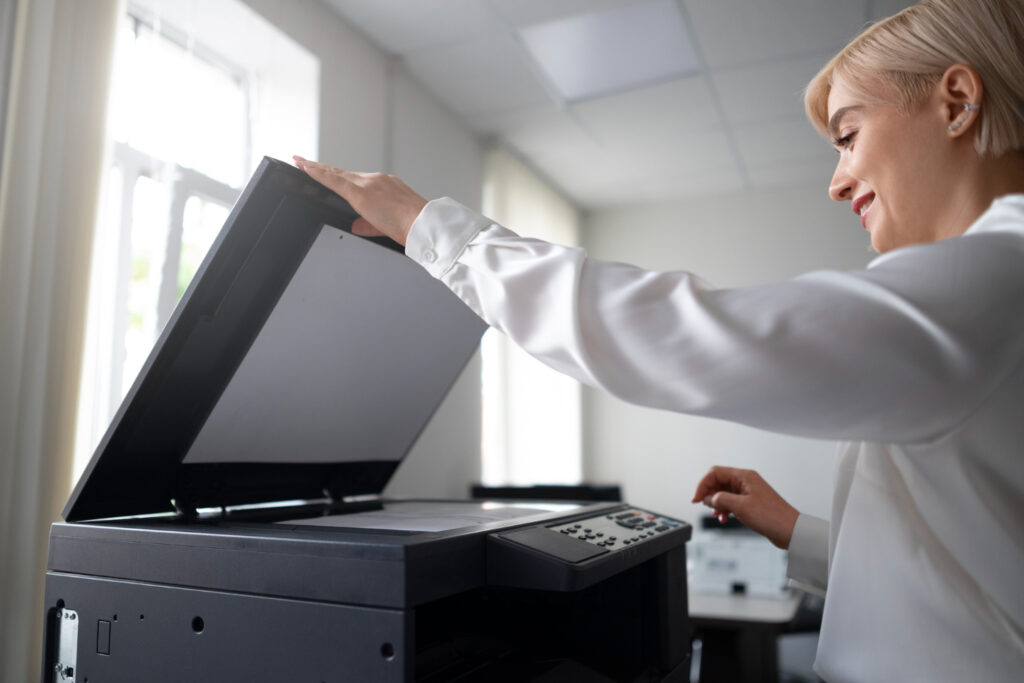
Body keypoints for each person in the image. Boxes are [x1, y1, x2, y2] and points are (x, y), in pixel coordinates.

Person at [294, 0, 1024, 679]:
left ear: (957, 101)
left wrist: (433, 229)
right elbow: (970, 571)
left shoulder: (993, 276)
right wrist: (796, 530)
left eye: (848, 135)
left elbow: (684, 332)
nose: (837, 181)